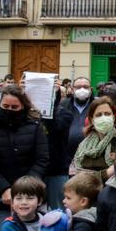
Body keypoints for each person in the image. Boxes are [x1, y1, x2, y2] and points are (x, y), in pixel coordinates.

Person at [0, 86, 50, 222]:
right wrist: (3, 188)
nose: (9, 110)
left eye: (14, 107)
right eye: (5, 106)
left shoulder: (35, 127)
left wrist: (27, 186)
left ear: (22, 107)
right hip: (2, 195)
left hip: (31, 191)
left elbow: (42, 159)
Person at [45, 76, 95, 208]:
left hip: (90, 164)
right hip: (65, 164)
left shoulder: (97, 106)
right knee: (66, 204)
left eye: (85, 87)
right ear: (72, 89)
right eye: (78, 87)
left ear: (91, 89)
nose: (82, 89)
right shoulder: (63, 105)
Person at [71, 96, 116, 179]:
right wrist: (106, 173)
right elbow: (75, 171)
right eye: (99, 115)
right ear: (92, 120)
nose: (103, 118)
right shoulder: (85, 144)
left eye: (107, 114)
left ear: (113, 117)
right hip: (86, 189)